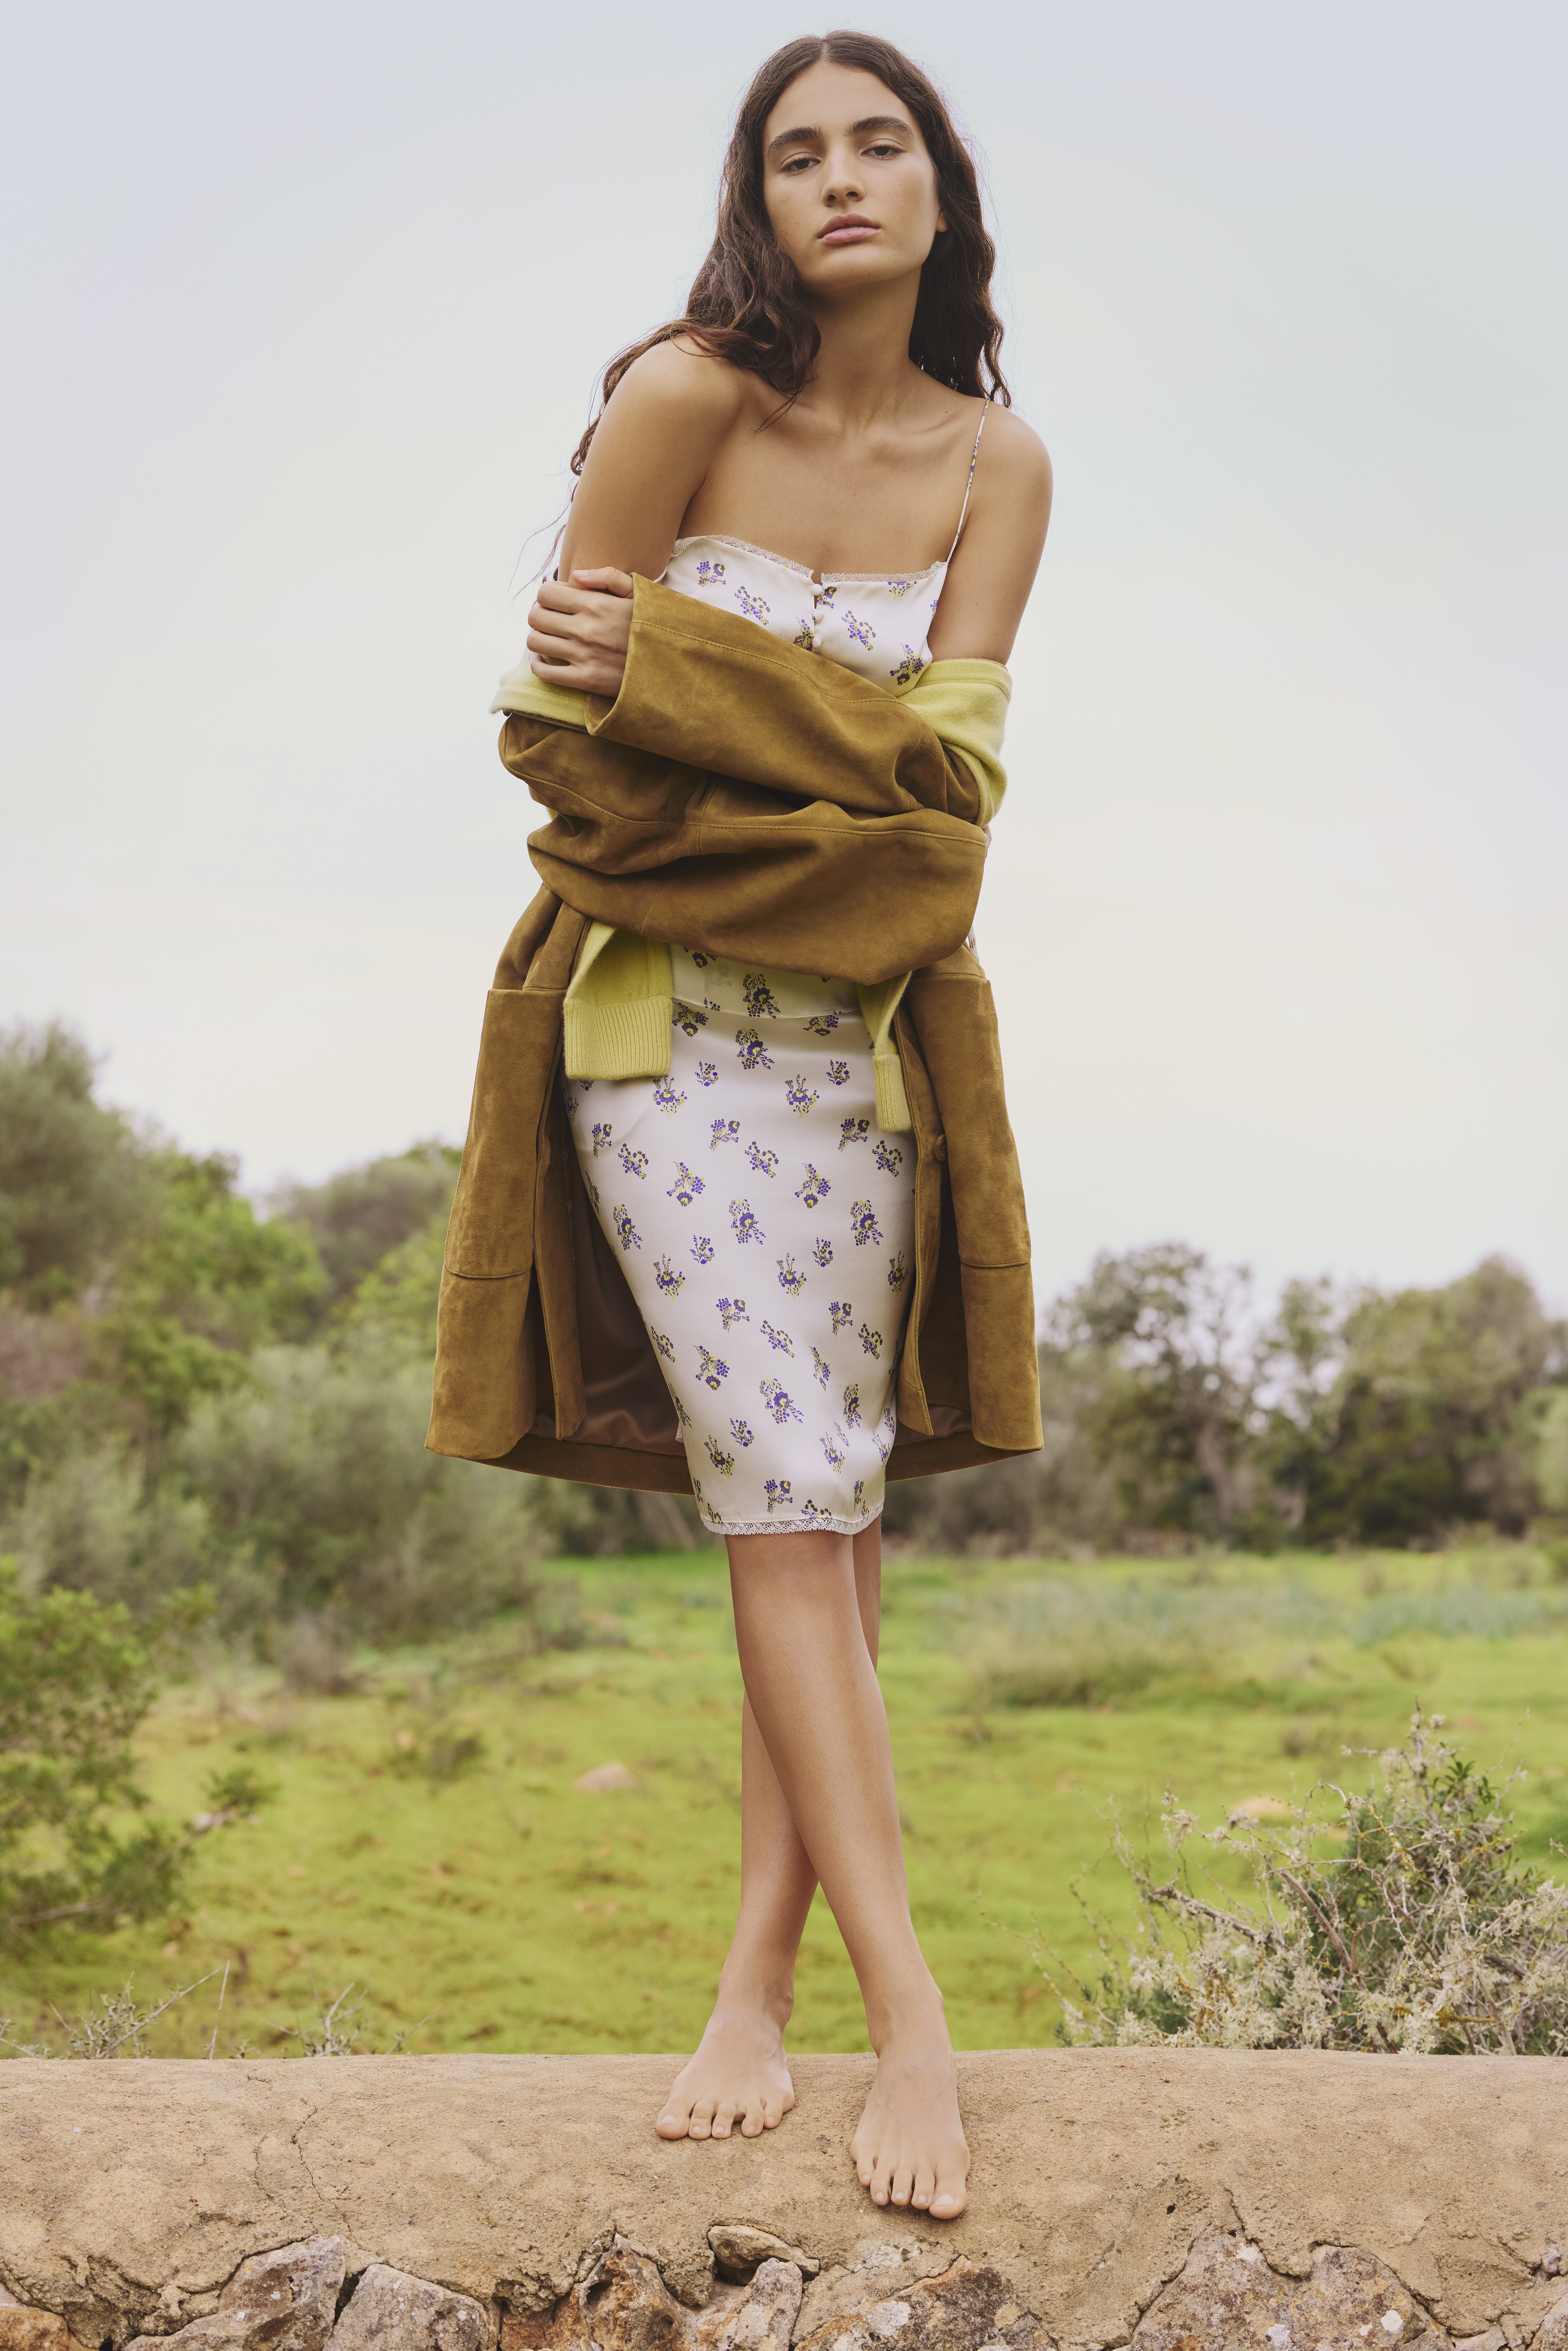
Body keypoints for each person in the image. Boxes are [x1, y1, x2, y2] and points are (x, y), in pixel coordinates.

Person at [509, 31, 1048, 2220]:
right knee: (774, 1493)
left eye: (878, 143)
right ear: (759, 193)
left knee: (826, 1520)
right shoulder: (678, 403)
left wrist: (698, 690)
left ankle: (751, 1982)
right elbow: (565, 762)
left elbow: (957, 820)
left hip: (867, 1046)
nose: (839, 178)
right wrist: (820, 757)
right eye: (795, 150)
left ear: (938, 190)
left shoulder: (996, 464)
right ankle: (909, 2011)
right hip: (659, 1036)